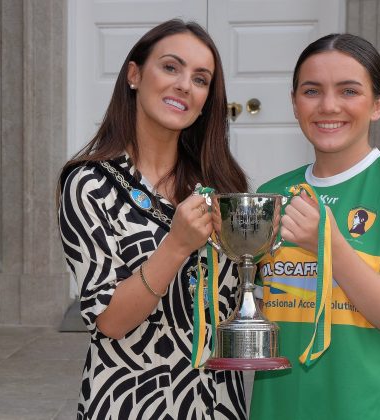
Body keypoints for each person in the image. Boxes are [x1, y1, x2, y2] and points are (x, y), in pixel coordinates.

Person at [250, 33, 380, 420]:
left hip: (367, 409)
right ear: (294, 103)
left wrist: (329, 245)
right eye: (312, 91)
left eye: (349, 91)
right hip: (278, 407)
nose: (328, 106)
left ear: (378, 104)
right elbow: (262, 308)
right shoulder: (273, 193)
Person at [58, 19, 248, 419]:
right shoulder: (89, 184)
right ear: (134, 74)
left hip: (217, 402)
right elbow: (109, 320)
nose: (184, 85)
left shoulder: (220, 184)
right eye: (171, 67)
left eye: (201, 79)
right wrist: (176, 246)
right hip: (131, 400)